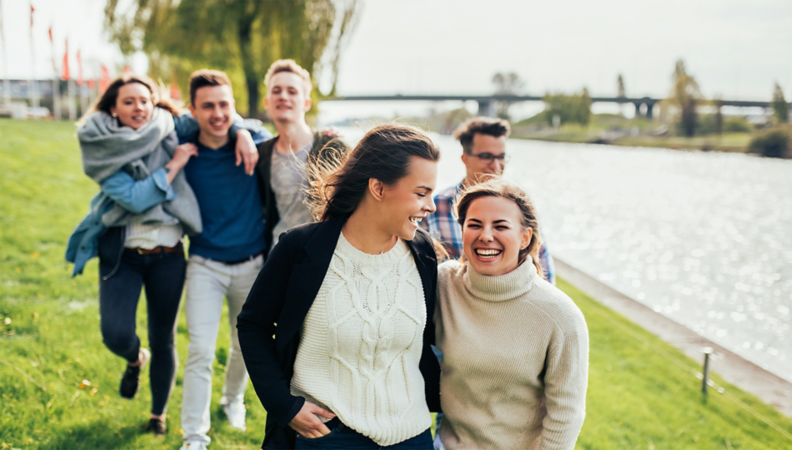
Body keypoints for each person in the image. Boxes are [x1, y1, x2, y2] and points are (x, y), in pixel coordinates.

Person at [238, 124, 442, 449]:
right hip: (326, 436)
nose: (430, 205)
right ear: (378, 187)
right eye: (421, 193)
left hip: (412, 435)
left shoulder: (423, 254)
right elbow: (253, 325)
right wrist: (283, 405)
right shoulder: (301, 248)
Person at [66, 75, 203, 435]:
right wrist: (174, 164)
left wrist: (247, 137)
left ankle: (158, 414)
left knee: (164, 338)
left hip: (169, 255)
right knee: (114, 333)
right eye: (129, 101)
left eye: (145, 100)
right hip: (122, 252)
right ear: (113, 108)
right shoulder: (103, 145)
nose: (139, 107)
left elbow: (215, 116)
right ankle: (133, 358)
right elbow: (135, 199)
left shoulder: (171, 124)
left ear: (154, 103)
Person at [435, 179, 589, 450]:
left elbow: (566, 413)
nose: (485, 235)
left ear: (525, 238)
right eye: (474, 225)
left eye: (500, 226)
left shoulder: (560, 317)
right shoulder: (443, 284)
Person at [178, 69, 272, 450]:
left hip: (251, 264)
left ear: (233, 106)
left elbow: (264, 129)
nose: (217, 113)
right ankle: (194, 437)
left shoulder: (257, 142)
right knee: (199, 350)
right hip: (204, 263)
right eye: (208, 106)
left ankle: (232, 400)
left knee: (244, 345)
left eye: (224, 104)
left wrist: (244, 132)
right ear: (193, 110)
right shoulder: (183, 145)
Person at [423, 117, 555, 284]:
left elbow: (542, 266)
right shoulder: (436, 206)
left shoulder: (520, 206)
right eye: (486, 157)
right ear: (465, 159)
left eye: (501, 157)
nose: (496, 165)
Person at [255, 59, 347, 250]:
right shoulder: (262, 153)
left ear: (306, 103)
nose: (283, 96)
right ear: (267, 103)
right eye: (276, 91)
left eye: (292, 91)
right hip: (279, 254)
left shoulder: (332, 147)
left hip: (322, 254)